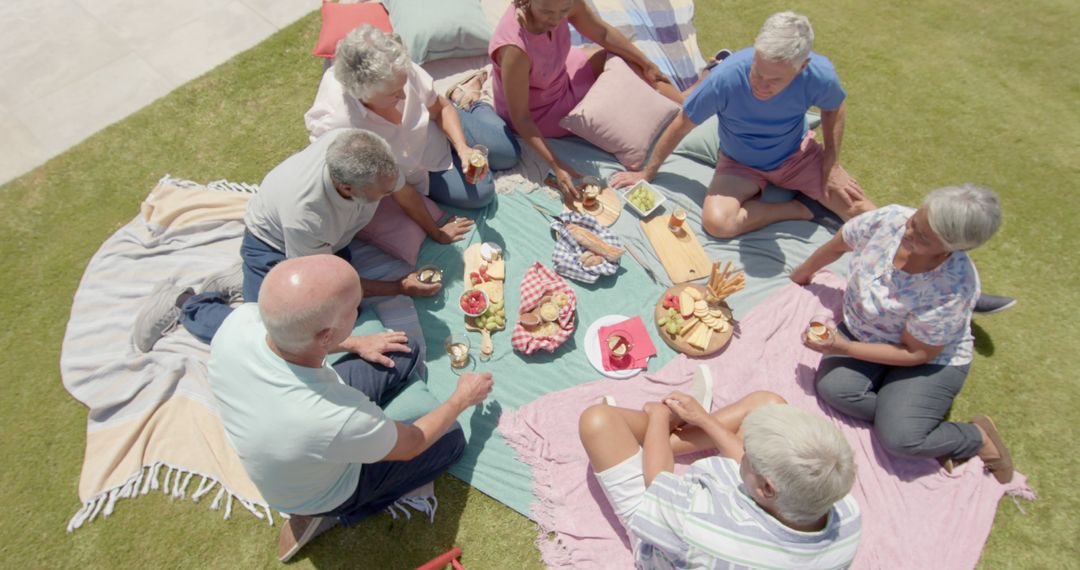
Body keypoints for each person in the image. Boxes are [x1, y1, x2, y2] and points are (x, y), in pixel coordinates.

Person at [207, 255, 494, 562]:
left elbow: (297, 339)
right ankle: (334, 513)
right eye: (353, 308)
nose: (358, 310)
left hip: (298, 425)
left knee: (403, 349)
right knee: (450, 439)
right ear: (326, 335)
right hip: (321, 488)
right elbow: (412, 444)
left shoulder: (238, 323)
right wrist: (461, 399)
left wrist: (353, 343)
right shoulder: (332, 417)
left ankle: (367, 440)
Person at [133, 128, 442, 351]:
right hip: (271, 245)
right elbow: (328, 283)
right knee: (274, 340)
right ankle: (187, 303)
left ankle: (248, 281)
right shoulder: (306, 213)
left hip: (324, 245)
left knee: (347, 315)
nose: (390, 194)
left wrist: (436, 231)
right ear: (347, 188)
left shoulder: (367, 152)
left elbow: (402, 191)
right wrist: (399, 287)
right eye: (382, 194)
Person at [790, 184, 1014, 483]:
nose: (908, 233)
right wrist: (802, 274)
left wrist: (843, 347)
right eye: (915, 221)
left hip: (928, 358)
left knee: (901, 439)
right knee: (834, 389)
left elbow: (917, 352)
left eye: (922, 237)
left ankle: (975, 437)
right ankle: (901, 411)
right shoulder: (890, 219)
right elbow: (839, 243)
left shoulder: (953, 288)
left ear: (952, 247)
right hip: (868, 333)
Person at [611, 11, 875, 238]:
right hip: (739, 163)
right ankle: (801, 209)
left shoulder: (818, 74)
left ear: (801, 66)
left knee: (866, 214)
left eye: (774, 80)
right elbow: (682, 123)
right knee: (717, 224)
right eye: (757, 72)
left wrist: (832, 165)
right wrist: (648, 172)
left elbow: (835, 108)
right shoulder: (726, 78)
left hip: (796, 156)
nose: (760, 85)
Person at [578, 386, 861, 569]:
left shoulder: (700, 524)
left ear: (766, 488)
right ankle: (671, 440)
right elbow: (776, 478)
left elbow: (658, 480)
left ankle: (658, 437)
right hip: (753, 516)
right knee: (769, 402)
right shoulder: (847, 514)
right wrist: (702, 418)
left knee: (597, 421)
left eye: (748, 452)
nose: (744, 451)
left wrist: (658, 416)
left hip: (669, 536)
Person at [306, 25, 520, 234]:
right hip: (417, 173)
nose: (404, 96)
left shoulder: (396, 67)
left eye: (403, 86)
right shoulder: (339, 126)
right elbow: (396, 186)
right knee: (483, 193)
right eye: (394, 94)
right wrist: (435, 231)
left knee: (510, 153)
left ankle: (467, 99)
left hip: (436, 125)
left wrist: (464, 149)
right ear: (362, 94)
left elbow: (438, 109)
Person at [489, 0, 685, 198]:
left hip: (559, 71)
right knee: (620, 73)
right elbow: (521, 117)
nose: (556, 19)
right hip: (539, 111)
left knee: (624, 57)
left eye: (564, 11)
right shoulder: (516, 50)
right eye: (547, 12)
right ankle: (683, 114)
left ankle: (687, 107)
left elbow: (603, 34)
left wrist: (647, 63)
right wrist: (557, 165)